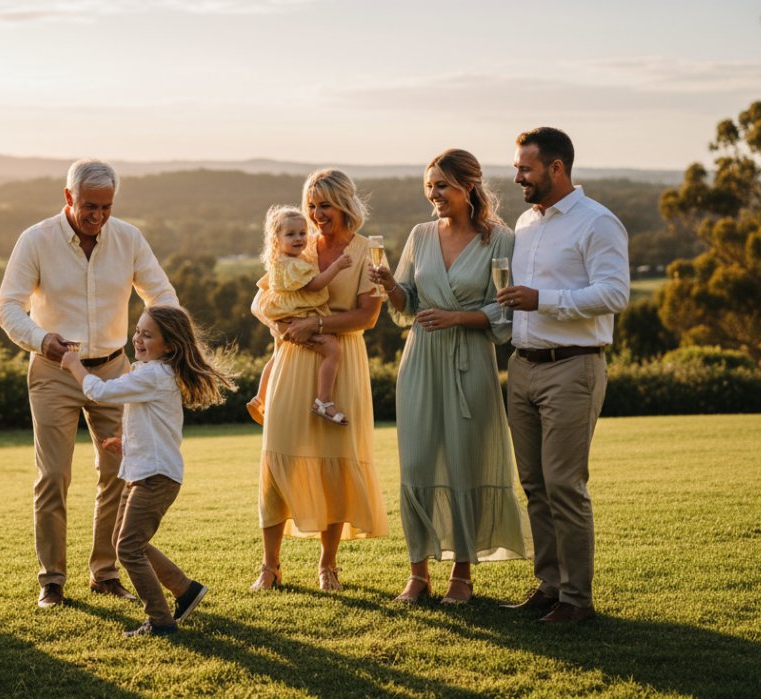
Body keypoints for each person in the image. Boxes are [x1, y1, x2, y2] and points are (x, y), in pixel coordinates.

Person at [0, 158, 179, 608]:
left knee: (119, 472)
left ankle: (105, 572)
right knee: (54, 476)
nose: (97, 216)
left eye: (106, 207)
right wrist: (43, 340)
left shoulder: (129, 238)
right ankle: (52, 581)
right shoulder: (35, 240)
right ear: (68, 198)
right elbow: (8, 307)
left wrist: (162, 344)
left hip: (116, 369)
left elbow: (162, 295)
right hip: (53, 371)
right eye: (89, 206)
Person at [367, 149, 527, 606]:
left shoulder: (501, 240)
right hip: (420, 361)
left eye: (442, 185)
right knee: (417, 464)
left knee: (464, 464)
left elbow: (506, 307)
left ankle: (462, 575)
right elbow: (407, 303)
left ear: (468, 186)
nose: (433, 194)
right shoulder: (419, 235)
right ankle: (418, 573)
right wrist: (390, 285)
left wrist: (459, 319)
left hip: (470, 362)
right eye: (429, 186)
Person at [496, 127, 630, 624]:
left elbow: (614, 294)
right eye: (516, 168)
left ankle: (577, 599)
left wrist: (543, 300)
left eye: (525, 169)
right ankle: (550, 586)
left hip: (573, 367)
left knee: (564, 484)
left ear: (556, 168)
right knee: (534, 484)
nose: (517, 178)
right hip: (523, 366)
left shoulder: (598, 223)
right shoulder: (526, 224)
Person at [249, 168, 389, 592]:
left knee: (335, 461)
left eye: (323, 204)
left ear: (344, 203)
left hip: (341, 359)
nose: (315, 213)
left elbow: (367, 315)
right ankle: (270, 566)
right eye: (311, 205)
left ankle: (328, 565)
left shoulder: (370, 251)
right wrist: (283, 322)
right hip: (293, 360)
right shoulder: (296, 245)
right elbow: (261, 300)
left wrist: (317, 323)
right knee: (279, 454)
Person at [61, 305, 235, 636]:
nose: (138, 339)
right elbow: (155, 426)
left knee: (127, 547)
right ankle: (186, 591)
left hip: (155, 478)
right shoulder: (154, 373)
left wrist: (74, 365)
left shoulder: (153, 375)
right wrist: (126, 446)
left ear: (168, 345)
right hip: (146, 470)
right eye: (137, 331)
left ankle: (160, 621)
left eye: (147, 334)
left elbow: (99, 392)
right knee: (125, 540)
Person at [248, 205, 353, 426]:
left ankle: (260, 397)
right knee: (332, 349)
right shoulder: (294, 265)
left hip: (284, 315)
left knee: (277, 355)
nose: (299, 238)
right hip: (297, 317)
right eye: (291, 234)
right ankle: (324, 401)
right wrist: (337, 266)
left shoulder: (279, 262)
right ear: (276, 239)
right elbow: (315, 285)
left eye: (302, 233)